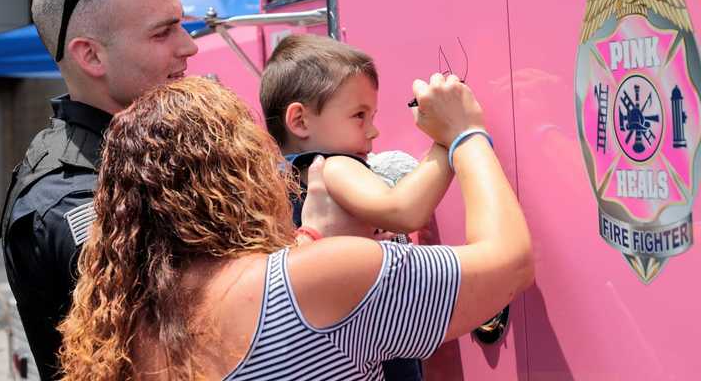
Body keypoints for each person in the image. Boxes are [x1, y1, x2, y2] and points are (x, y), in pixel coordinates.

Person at [59, 75, 534, 380]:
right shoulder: (311, 281)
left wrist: (309, 241)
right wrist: (464, 135)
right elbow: (510, 266)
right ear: (236, 173)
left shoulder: (123, 327)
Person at [0, 0, 198, 379]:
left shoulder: (151, 148)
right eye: (163, 32)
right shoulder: (71, 197)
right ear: (90, 55)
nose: (189, 47)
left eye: (182, 25)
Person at [260, 34, 452, 237]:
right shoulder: (331, 167)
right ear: (300, 121)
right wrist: (447, 139)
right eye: (359, 115)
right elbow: (402, 212)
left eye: (372, 117)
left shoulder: (272, 183)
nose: (373, 132)